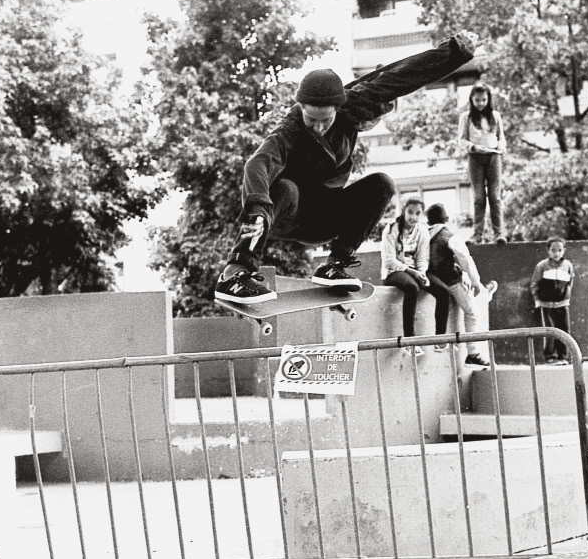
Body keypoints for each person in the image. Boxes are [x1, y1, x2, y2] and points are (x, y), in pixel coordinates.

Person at [215, 33, 479, 304]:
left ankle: (335, 263)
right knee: (285, 187)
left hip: (326, 217)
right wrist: (257, 210)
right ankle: (236, 272)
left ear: (339, 109)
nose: (318, 127)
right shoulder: (290, 128)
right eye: (311, 119)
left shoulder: (356, 100)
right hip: (287, 213)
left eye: (326, 120)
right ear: (301, 109)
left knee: (382, 184)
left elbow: (401, 75)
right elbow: (258, 162)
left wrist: (454, 54)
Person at [425, 203, 495, 367]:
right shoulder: (450, 235)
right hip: (451, 281)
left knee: (467, 283)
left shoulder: (422, 235)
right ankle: (473, 353)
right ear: (447, 219)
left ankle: (487, 291)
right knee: (473, 313)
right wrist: (475, 281)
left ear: (428, 221)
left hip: (432, 280)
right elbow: (466, 260)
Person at [380, 196, 446, 356]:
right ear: (403, 211)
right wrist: (413, 273)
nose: (413, 217)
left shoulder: (422, 230)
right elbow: (389, 261)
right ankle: (409, 341)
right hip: (394, 272)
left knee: (443, 291)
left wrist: (422, 273)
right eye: (410, 212)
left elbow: (423, 258)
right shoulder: (391, 229)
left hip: (416, 270)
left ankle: (441, 340)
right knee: (412, 288)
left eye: (417, 213)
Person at [457, 82, 506, 244]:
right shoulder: (466, 117)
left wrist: (500, 147)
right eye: (477, 100)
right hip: (476, 158)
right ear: (471, 100)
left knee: (494, 196)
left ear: (488, 99)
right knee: (479, 197)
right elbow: (461, 140)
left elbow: (501, 137)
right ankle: (477, 234)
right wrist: (474, 147)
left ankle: (499, 234)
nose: (480, 103)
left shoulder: (495, 116)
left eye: (484, 100)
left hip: (493, 157)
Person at [531, 239, 574, 364]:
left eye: (560, 250)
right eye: (553, 250)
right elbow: (535, 283)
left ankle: (563, 356)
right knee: (549, 331)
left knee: (564, 330)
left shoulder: (568, 265)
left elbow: (570, 282)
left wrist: (566, 296)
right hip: (546, 304)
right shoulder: (542, 266)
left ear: (564, 251)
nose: (556, 253)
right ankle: (550, 356)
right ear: (548, 251)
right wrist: (537, 299)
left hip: (563, 304)